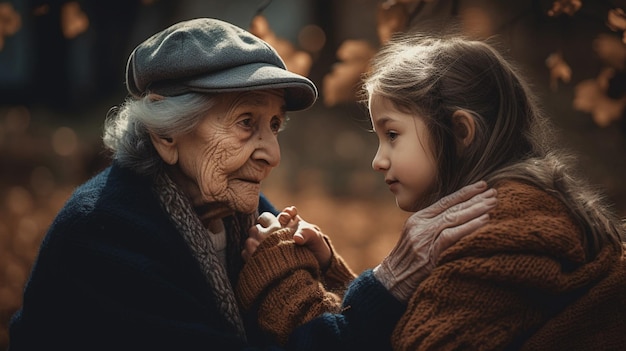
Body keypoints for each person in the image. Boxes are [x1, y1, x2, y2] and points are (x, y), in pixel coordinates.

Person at [7, 18, 496, 350]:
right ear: (166, 133)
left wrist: (328, 273)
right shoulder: (106, 236)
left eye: (275, 125)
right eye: (246, 122)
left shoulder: (238, 213)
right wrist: (387, 284)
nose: (272, 154)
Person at [236, 32, 626, 350]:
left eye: (392, 135)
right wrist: (333, 274)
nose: (378, 160)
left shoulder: (499, 233)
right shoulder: (525, 209)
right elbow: (430, 312)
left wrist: (285, 283)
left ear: (460, 133)